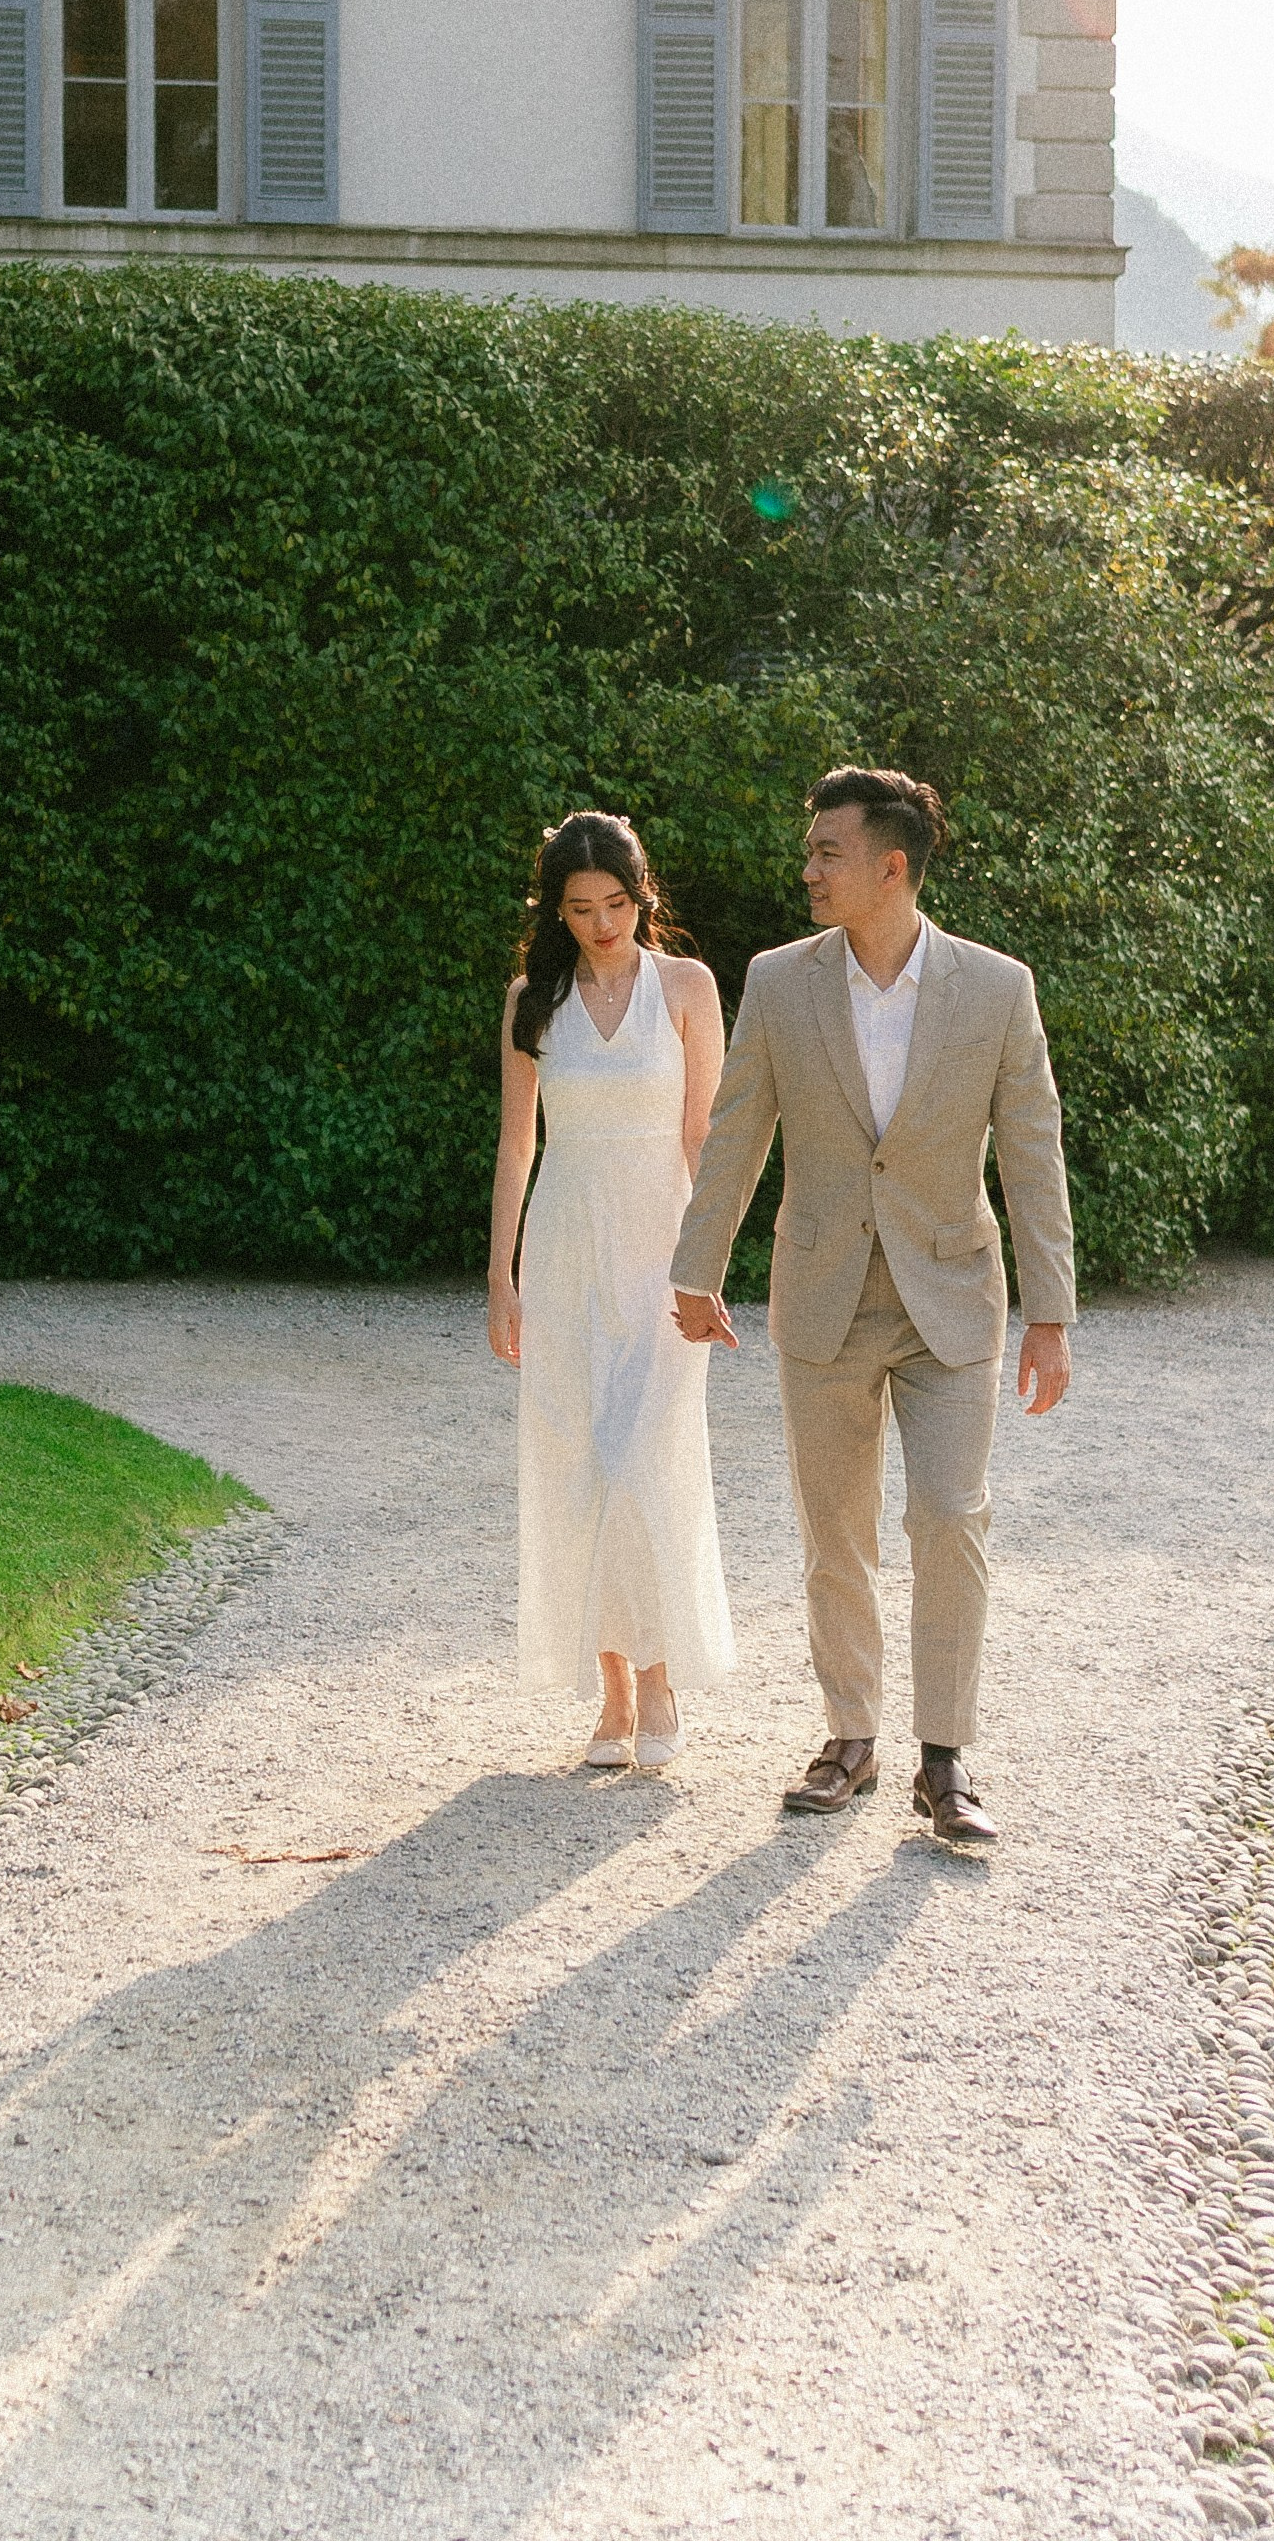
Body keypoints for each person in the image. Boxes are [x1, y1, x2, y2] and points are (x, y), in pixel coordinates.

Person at [667, 768, 1075, 1841]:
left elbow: (1033, 1156)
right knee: (833, 1532)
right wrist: (695, 1267)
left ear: (890, 867)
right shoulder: (777, 981)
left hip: (950, 1295)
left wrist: (1051, 1314)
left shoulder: (996, 989)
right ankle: (849, 1736)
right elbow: (736, 1129)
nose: (806, 869)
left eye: (826, 852)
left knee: (950, 1517)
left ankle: (944, 1760)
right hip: (823, 1295)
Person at [488, 812, 737, 1768]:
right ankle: (613, 1697)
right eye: (581, 909)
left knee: (646, 1459)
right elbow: (518, 1146)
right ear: (556, 911)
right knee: (582, 1461)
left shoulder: (686, 988)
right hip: (562, 1250)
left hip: (660, 1254)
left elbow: (702, 1138)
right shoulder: (533, 1000)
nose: (602, 924)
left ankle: (665, 1675)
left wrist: (705, 1268)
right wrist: (500, 1280)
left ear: (644, 896)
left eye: (618, 904)